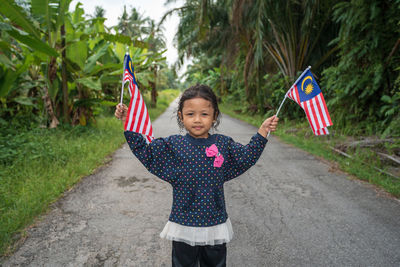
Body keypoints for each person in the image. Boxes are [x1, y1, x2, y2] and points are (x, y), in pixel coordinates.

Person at [115, 84, 279, 267]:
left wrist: (263, 130)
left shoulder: (223, 144)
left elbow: (246, 157)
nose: (197, 120)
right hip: (183, 224)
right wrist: (128, 121)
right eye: (190, 114)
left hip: (215, 224)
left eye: (204, 114)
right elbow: (146, 152)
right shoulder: (173, 145)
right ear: (181, 116)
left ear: (214, 116)